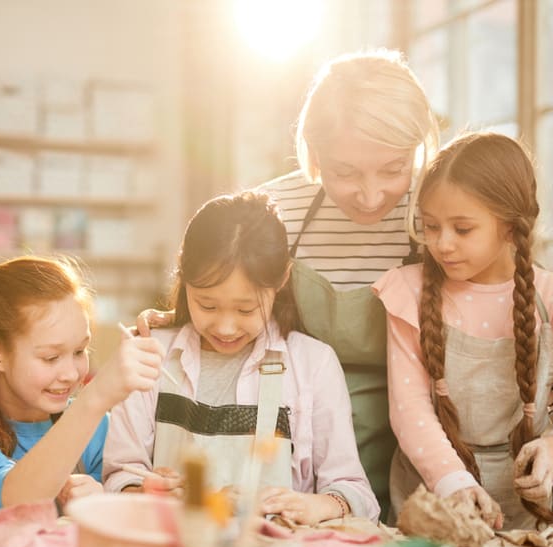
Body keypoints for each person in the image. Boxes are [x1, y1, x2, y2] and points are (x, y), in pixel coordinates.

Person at [137, 49, 439, 517]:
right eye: (345, 172)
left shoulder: (437, 216)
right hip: (300, 445)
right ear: (314, 153)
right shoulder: (279, 210)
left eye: (393, 169)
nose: (371, 193)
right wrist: (180, 318)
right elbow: (223, 278)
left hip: (419, 448)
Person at [372, 132, 553, 529]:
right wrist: (454, 484)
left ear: (509, 225)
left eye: (462, 229)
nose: (442, 244)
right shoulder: (408, 292)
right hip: (427, 506)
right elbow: (409, 410)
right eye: (431, 226)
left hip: (523, 518)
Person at [104, 191, 380, 524]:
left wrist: (317, 505)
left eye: (246, 308)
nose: (225, 326)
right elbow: (119, 477)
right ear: (183, 278)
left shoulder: (313, 364)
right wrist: (147, 491)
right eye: (207, 305)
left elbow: (355, 491)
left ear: (281, 279)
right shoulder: (151, 356)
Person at [0, 256, 164, 517]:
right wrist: (95, 397)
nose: (70, 374)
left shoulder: (99, 428)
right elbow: (11, 499)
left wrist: (106, 500)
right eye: (51, 357)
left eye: (80, 351)